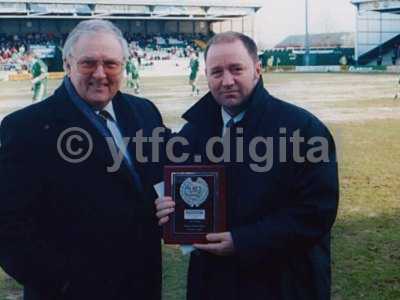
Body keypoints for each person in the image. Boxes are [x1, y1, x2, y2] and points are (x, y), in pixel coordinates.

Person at [156, 32, 339, 300]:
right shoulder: (194, 132)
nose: (227, 80)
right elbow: (174, 190)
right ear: (206, 75)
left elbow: (316, 212)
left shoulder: (303, 129)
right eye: (216, 72)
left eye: (236, 69)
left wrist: (244, 240)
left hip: (283, 283)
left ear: (257, 68)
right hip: (213, 282)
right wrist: (166, 208)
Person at [0, 20, 165, 300]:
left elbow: (164, 176)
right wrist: (63, 283)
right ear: (67, 64)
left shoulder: (144, 113)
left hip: (141, 286)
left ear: (123, 65)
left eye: (111, 64)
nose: (100, 74)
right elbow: (8, 226)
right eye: (88, 63)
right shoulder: (26, 127)